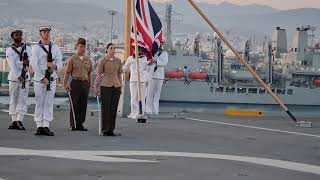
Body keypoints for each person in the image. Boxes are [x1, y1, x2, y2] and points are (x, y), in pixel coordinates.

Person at [30, 26, 62, 136]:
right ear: (40, 33)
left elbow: (60, 62)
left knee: (48, 103)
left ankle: (46, 125)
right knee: (39, 102)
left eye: (48, 31)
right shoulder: (36, 48)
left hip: (51, 78)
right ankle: (39, 126)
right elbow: (34, 64)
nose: (46, 33)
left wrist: (55, 66)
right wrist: (42, 77)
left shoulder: (55, 48)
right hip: (40, 80)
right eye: (44, 31)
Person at [63, 38, 92, 131]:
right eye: (81, 46)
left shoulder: (88, 59)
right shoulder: (72, 59)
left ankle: (80, 124)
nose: (82, 48)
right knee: (74, 104)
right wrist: (65, 84)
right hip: (75, 83)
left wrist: (90, 84)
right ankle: (73, 124)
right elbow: (67, 72)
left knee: (83, 105)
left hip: (85, 83)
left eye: (84, 46)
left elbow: (89, 73)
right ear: (77, 46)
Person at [94, 43, 123, 136]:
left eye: (114, 48)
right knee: (105, 108)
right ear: (107, 50)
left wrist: (121, 86)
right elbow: (99, 75)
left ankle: (111, 129)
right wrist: (96, 86)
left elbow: (119, 74)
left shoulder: (118, 61)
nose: (113, 50)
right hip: (106, 85)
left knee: (113, 109)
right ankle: (105, 129)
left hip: (116, 86)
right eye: (111, 48)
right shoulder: (103, 61)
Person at [6, 29, 31, 130]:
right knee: (13, 99)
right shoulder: (9, 50)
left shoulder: (28, 48)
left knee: (23, 99)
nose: (19, 37)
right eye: (17, 35)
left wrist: (26, 63)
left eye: (20, 35)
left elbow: (31, 61)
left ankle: (19, 120)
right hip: (14, 78)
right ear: (13, 37)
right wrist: (19, 76)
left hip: (25, 77)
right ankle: (13, 120)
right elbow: (12, 64)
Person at [123, 46, 148, 119]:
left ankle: (141, 112)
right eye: (135, 49)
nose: (136, 51)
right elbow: (124, 67)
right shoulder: (131, 58)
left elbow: (146, 68)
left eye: (137, 49)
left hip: (141, 80)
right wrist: (130, 71)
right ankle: (134, 112)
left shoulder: (143, 58)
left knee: (141, 97)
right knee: (134, 97)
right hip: (134, 79)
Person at [146, 46, 168, 115]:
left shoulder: (164, 53)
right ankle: (148, 110)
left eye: (161, 44)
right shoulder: (151, 53)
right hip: (151, 76)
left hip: (160, 76)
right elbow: (146, 64)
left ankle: (155, 111)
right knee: (149, 94)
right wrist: (149, 63)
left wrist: (155, 61)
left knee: (157, 95)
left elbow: (164, 63)